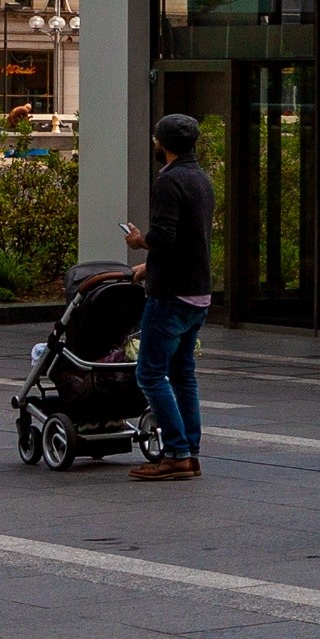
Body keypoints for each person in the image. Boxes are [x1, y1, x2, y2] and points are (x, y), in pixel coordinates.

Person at [121, 113, 212, 482]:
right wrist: (149, 264)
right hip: (198, 291)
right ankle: (189, 450)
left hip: (171, 294)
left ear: (163, 144)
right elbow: (189, 238)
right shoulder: (201, 179)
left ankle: (175, 453)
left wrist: (139, 241)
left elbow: (164, 236)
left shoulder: (170, 180)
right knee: (183, 373)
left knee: (150, 373)